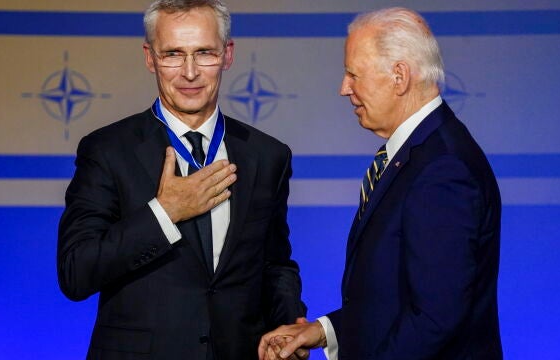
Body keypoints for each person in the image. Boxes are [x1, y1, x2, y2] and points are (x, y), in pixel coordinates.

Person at [57, 1, 306, 359]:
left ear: (227, 54)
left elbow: (274, 264)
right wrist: (164, 213)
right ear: (149, 57)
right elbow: (76, 272)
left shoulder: (267, 155)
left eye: (204, 53)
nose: (189, 73)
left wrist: (288, 324)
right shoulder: (108, 150)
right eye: (173, 54)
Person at [259, 7, 502, 360]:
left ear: (399, 76)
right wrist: (325, 331)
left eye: (353, 74)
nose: (344, 89)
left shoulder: (443, 169)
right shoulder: (419, 153)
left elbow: (435, 319)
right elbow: (394, 298)